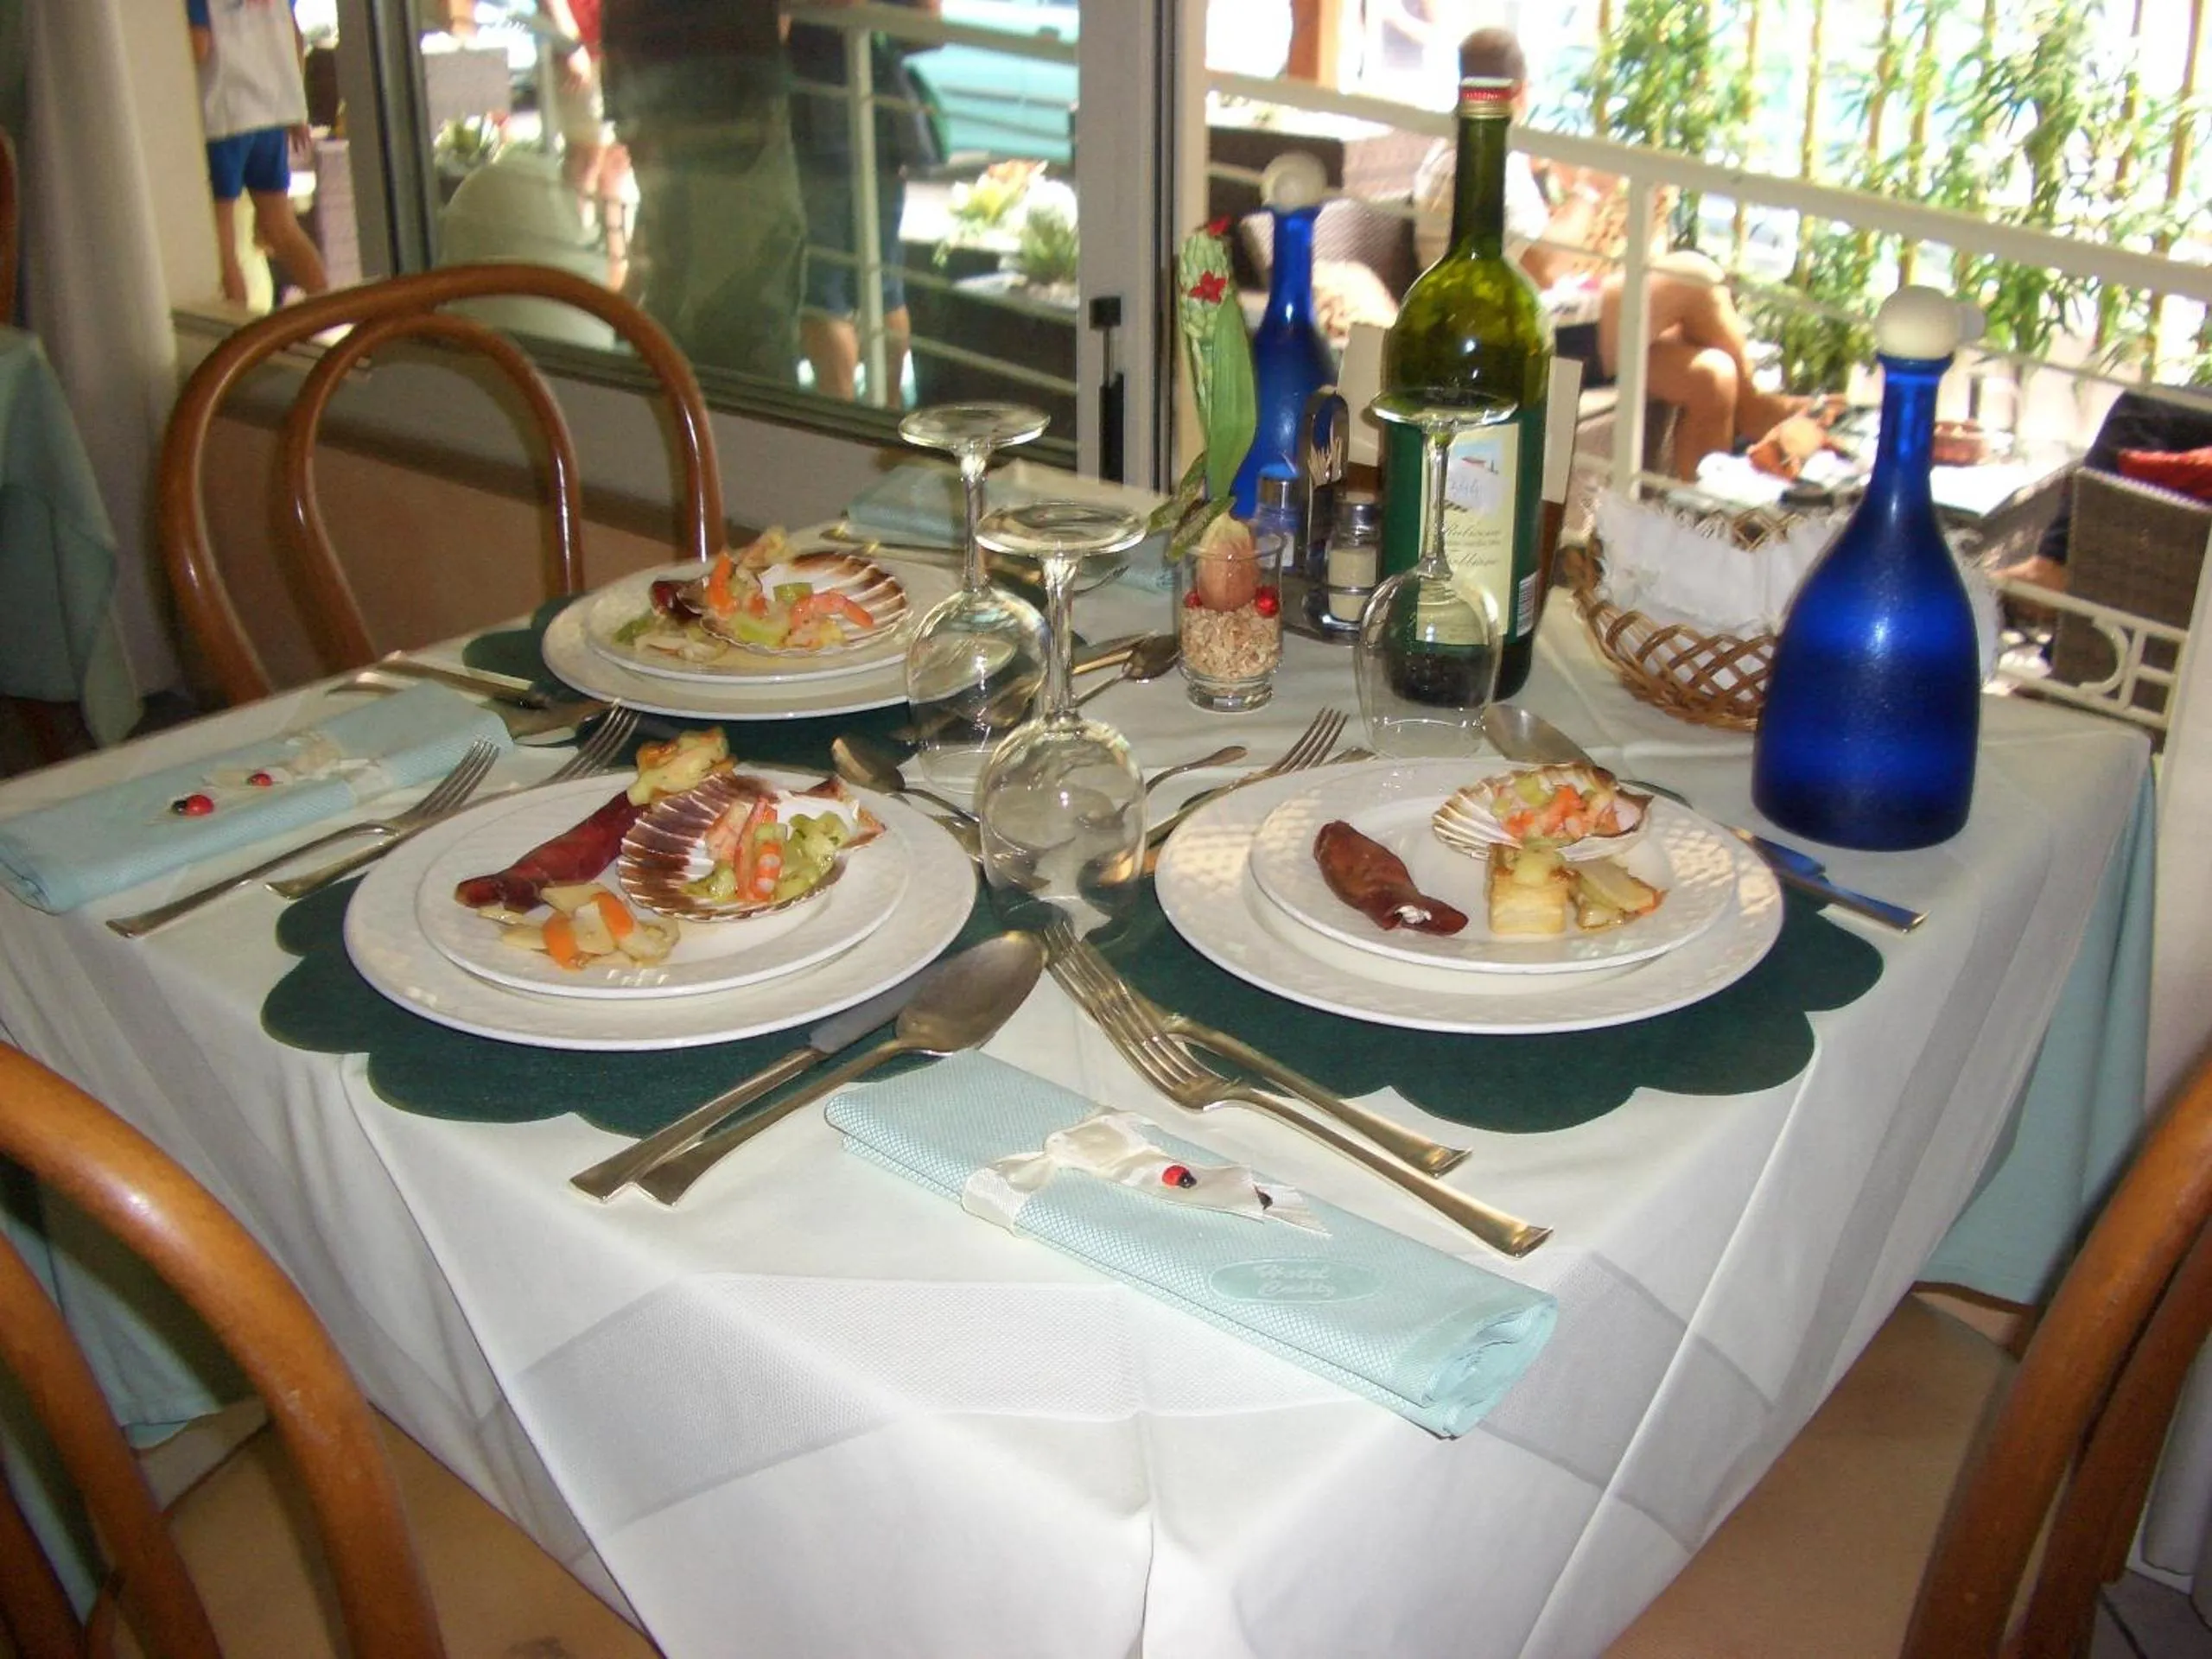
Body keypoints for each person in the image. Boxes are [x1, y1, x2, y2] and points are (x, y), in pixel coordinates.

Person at [1413, 28, 1802, 479]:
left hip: (1537, 316)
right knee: (1693, 274)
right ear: (1521, 91)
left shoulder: (1470, 147)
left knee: (1712, 377)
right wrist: (1588, 190)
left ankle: (1692, 530)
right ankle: (1757, 412)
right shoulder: (1479, 155)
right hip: (1513, 331)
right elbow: (1546, 266)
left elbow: (1533, 255)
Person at [599, 0, 805, 382]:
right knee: (742, 319)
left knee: (678, 287)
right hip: (728, 105)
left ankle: (682, 421)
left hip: (652, 88)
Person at [785, 0, 941, 403]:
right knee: (881, 283)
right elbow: (927, 28)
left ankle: (845, 424)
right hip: (878, 108)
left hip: (819, 107)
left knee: (825, 291)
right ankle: (886, 421)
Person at [188, 0, 330, 308]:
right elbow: (294, 35)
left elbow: (199, 46)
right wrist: (296, 109)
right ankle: (332, 310)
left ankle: (238, 339)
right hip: (270, 113)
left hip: (224, 117)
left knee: (224, 248)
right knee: (283, 229)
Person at [536, 0, 633, 292]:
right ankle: (580, 278)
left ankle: (617, 286)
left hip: (619, 43)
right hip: (580, 49)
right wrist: (570, 43)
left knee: (618, 163)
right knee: (586, 163)